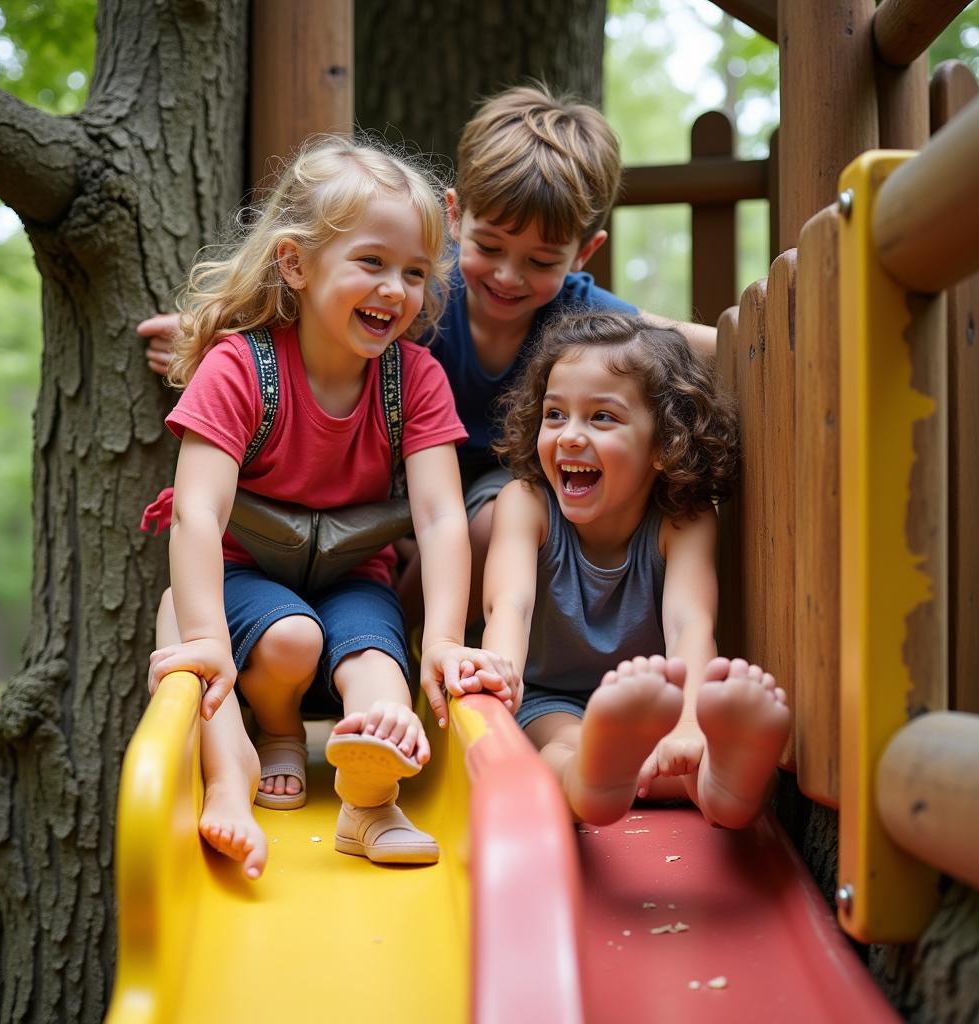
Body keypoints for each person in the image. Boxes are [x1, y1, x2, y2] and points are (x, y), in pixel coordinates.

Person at [140, 84, 717, 628]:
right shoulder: (418, 290)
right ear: (454, 217)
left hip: (482, 505)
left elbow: (670, 339)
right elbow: (318, 306)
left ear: (583, 253)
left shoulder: (580, 317)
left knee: (504, 514)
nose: (508, 276)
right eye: (488, 247)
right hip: (391, 501)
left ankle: (414, 634)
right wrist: (206, 327)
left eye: (541, 262)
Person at [142, 135, 514, 880]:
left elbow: (442, 517)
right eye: (371, 263)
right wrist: (211, 639)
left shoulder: (414, 378)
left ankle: (370, 803)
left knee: (379, 664)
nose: (395, 290)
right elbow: (198, 514)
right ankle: (256, 749)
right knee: (288, 641)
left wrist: (441, 639)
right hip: (244, 574)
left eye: (413, 273)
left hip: (353, 577)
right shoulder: (242, 365)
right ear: (295, 263)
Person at [475, 310, 790, 829]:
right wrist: (500, 677)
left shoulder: (684, 520)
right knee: (561, 745)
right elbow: (510, 604)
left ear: (664, 445)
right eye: (555, 415)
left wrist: (689, 722)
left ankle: (720, 787)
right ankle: (592, 781)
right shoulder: (526, 502)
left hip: (653, 703)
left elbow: (690, 625)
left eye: (602, 417)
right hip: (552, 699)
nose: (571, 435)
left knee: (691, 756)